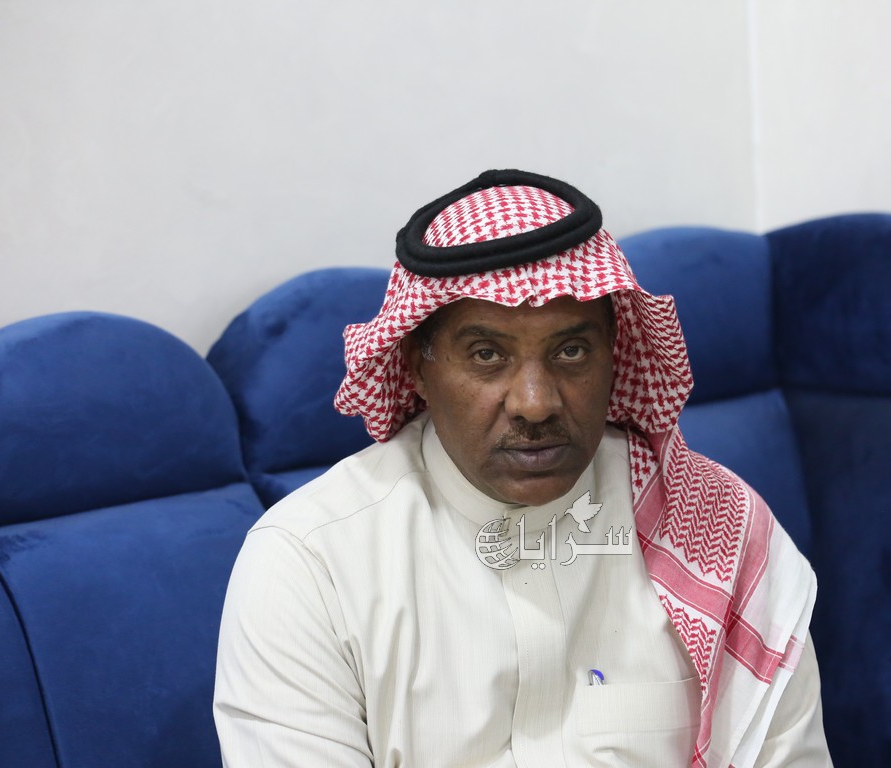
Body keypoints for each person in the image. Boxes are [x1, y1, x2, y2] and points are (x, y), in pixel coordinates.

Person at [213, 169, 832, 767]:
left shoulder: (719, 526)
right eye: (487, 355)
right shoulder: (309, 564)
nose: (535, 403)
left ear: (615, 357)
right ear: (418, 367)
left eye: (571, 350)